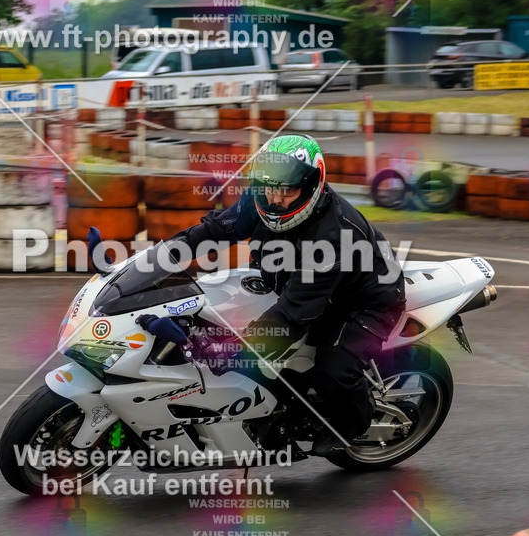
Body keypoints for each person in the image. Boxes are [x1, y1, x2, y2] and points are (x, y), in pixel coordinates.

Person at [171, 135, 406, 455]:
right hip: (299, 284)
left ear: (313, 185)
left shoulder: (334, 235)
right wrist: (160, 257)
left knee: (332, 370)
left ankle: (353, 421)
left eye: (287, 191)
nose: (275, 199)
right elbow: (216, 229)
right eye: (268, 189)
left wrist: (227, 353)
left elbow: (291, 316)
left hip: (364, 302)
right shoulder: (265, 197)